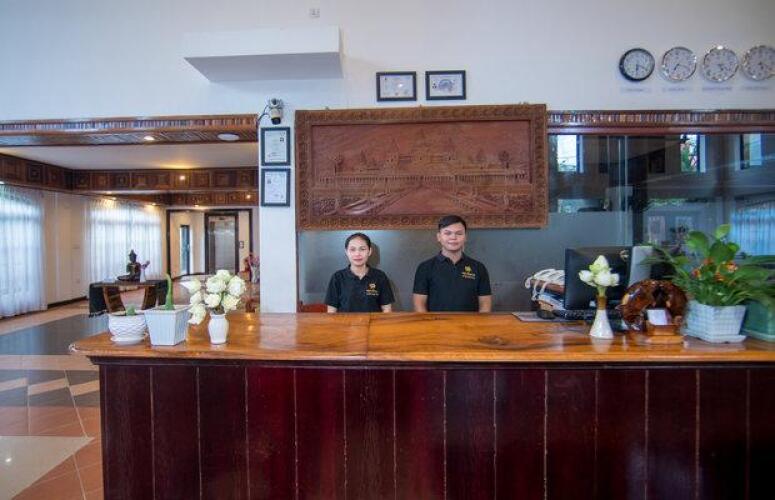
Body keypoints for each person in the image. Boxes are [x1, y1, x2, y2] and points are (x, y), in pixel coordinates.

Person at [413, 215, 492, 312]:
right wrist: (427, 322)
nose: (453, 237)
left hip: (471, 322)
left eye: (459, 233)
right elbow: (419, 304)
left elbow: (485, 303)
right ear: (439, 237)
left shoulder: (479, 268)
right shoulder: (425, 268)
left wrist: (480, 321)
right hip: (436, 322)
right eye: (447, 233)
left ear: (465, 237)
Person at [325, 233, 394, 313]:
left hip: (373, 321)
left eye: (362, 249)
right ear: (346, 252)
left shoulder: (380, 276)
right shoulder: (337, 277)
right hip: (345, 321)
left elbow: (387, 309)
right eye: (352, 249)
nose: (357, 254)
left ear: (370, 251)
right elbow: (331, 311)